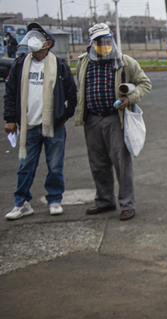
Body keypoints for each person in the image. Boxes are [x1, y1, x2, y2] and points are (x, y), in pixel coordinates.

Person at [74, 23, 151, 221]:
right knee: (98, 163)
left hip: (114, 119)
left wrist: (129, 99)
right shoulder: (83, 63)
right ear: (91, 43)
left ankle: (127, 205)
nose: (104, 45)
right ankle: (104, 201)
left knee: (121, 163)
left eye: (108, 41)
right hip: (92, 119)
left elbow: (145, 84)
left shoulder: (125, 62)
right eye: (100, 42)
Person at [3, 23, 77, 220]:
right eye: (32, 35)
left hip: (54, 126)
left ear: (48, 43)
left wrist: (63, 116)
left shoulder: (59, 65)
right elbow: (10, 93)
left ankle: (54, 200)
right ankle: (21, 203)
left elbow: (72, 93)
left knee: (55, 166)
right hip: (29, 125)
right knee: (24, 166)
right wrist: (10, 118)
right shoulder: (20, 64)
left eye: (39, 36)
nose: (33, 39)